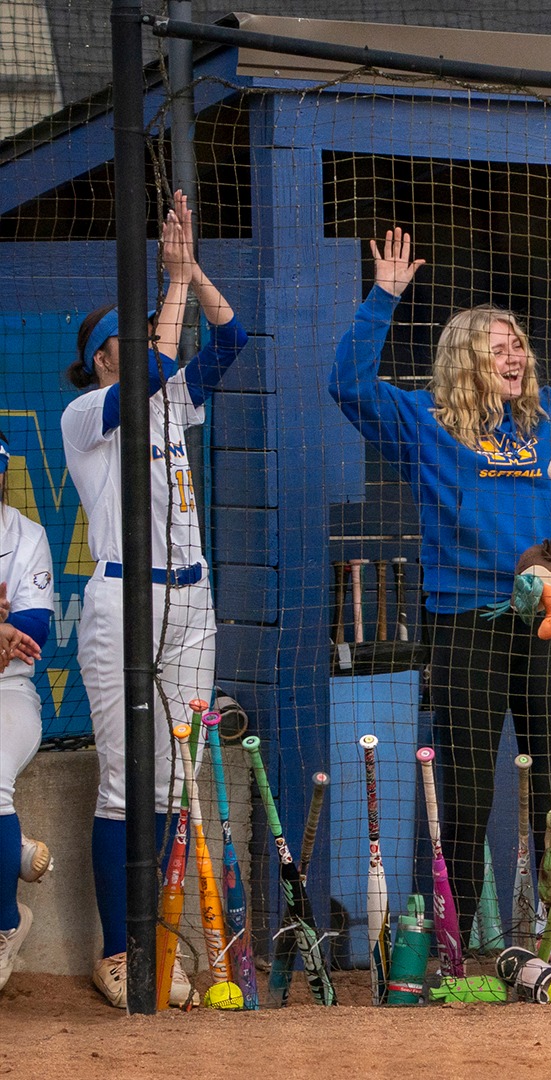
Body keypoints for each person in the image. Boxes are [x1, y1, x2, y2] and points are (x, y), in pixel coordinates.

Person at [330, 223, 551, 986]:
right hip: (466, 623)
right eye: (499, 346)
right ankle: (436, 941)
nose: (516, 356)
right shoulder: (423, 423)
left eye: (520, 345)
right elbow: (347, 384)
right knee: (466, 787)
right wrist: (382, 298)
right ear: (464, 359)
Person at [63, 191, 245, 1008]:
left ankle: (161, 936)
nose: (132, 343)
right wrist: (168, 286)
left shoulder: (174, 398)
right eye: (120, 337)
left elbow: (233, 337)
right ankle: (117, 950)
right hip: (120, 603)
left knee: (175, 783)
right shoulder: (85, 413)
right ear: (100, 353)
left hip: (192, 599)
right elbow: (153, 367)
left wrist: (191, 270)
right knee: (120, 783)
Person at [0, 436, 55, 996]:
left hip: (7, 690)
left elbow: (31, 633)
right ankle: (10, 852)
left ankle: (3, 926)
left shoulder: (23, 534)